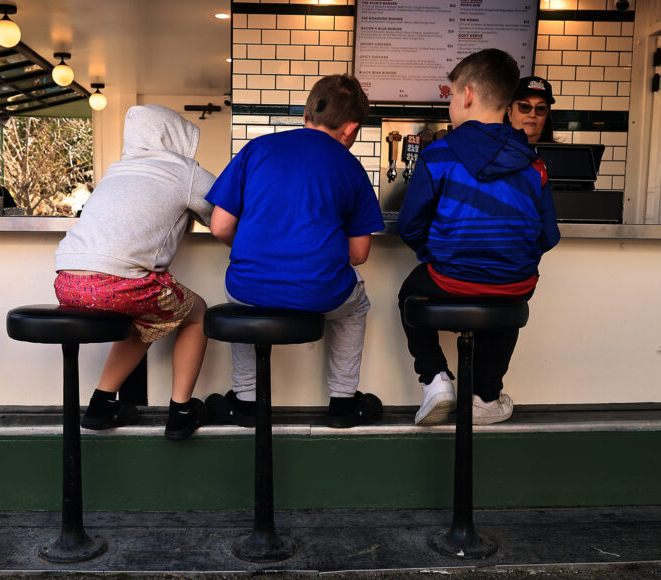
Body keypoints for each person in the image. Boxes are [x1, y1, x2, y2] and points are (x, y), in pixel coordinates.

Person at [205, 74, 385, 428]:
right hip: (322, 293)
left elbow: (220, 227)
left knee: (242, 296)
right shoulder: (351, 167)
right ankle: (343, 403)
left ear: (306, 114)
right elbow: (360, 253)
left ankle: (246, 401)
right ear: (351, 128)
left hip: (249, 286)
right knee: (356, 306)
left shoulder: (256, 150)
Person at [396, 49, 560, 426]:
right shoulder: (534, 162)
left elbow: (409, 226)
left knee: (409, 293)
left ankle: (435, 379)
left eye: (451, 94)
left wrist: (438, 253)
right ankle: (485, 395)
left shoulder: (438, 154)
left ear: (466, 95)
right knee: (505, 294)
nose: (451, 102)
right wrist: (511, 257)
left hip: (448, 280)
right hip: (515, 283)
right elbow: (549, 236)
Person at [53, 104, 215, 441]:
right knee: (198, 314)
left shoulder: (117, 170)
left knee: (145, 318)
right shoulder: (185, 170)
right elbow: (224, 214)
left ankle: (101, 404)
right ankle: (182, 412)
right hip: (118, 283)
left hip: (66, 282)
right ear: (175, 137)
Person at [506, 75, 556, 144]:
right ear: (509, 113)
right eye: (525, 107)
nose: (532, 114)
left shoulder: (557, 154)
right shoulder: (492, 152)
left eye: (540, 108)